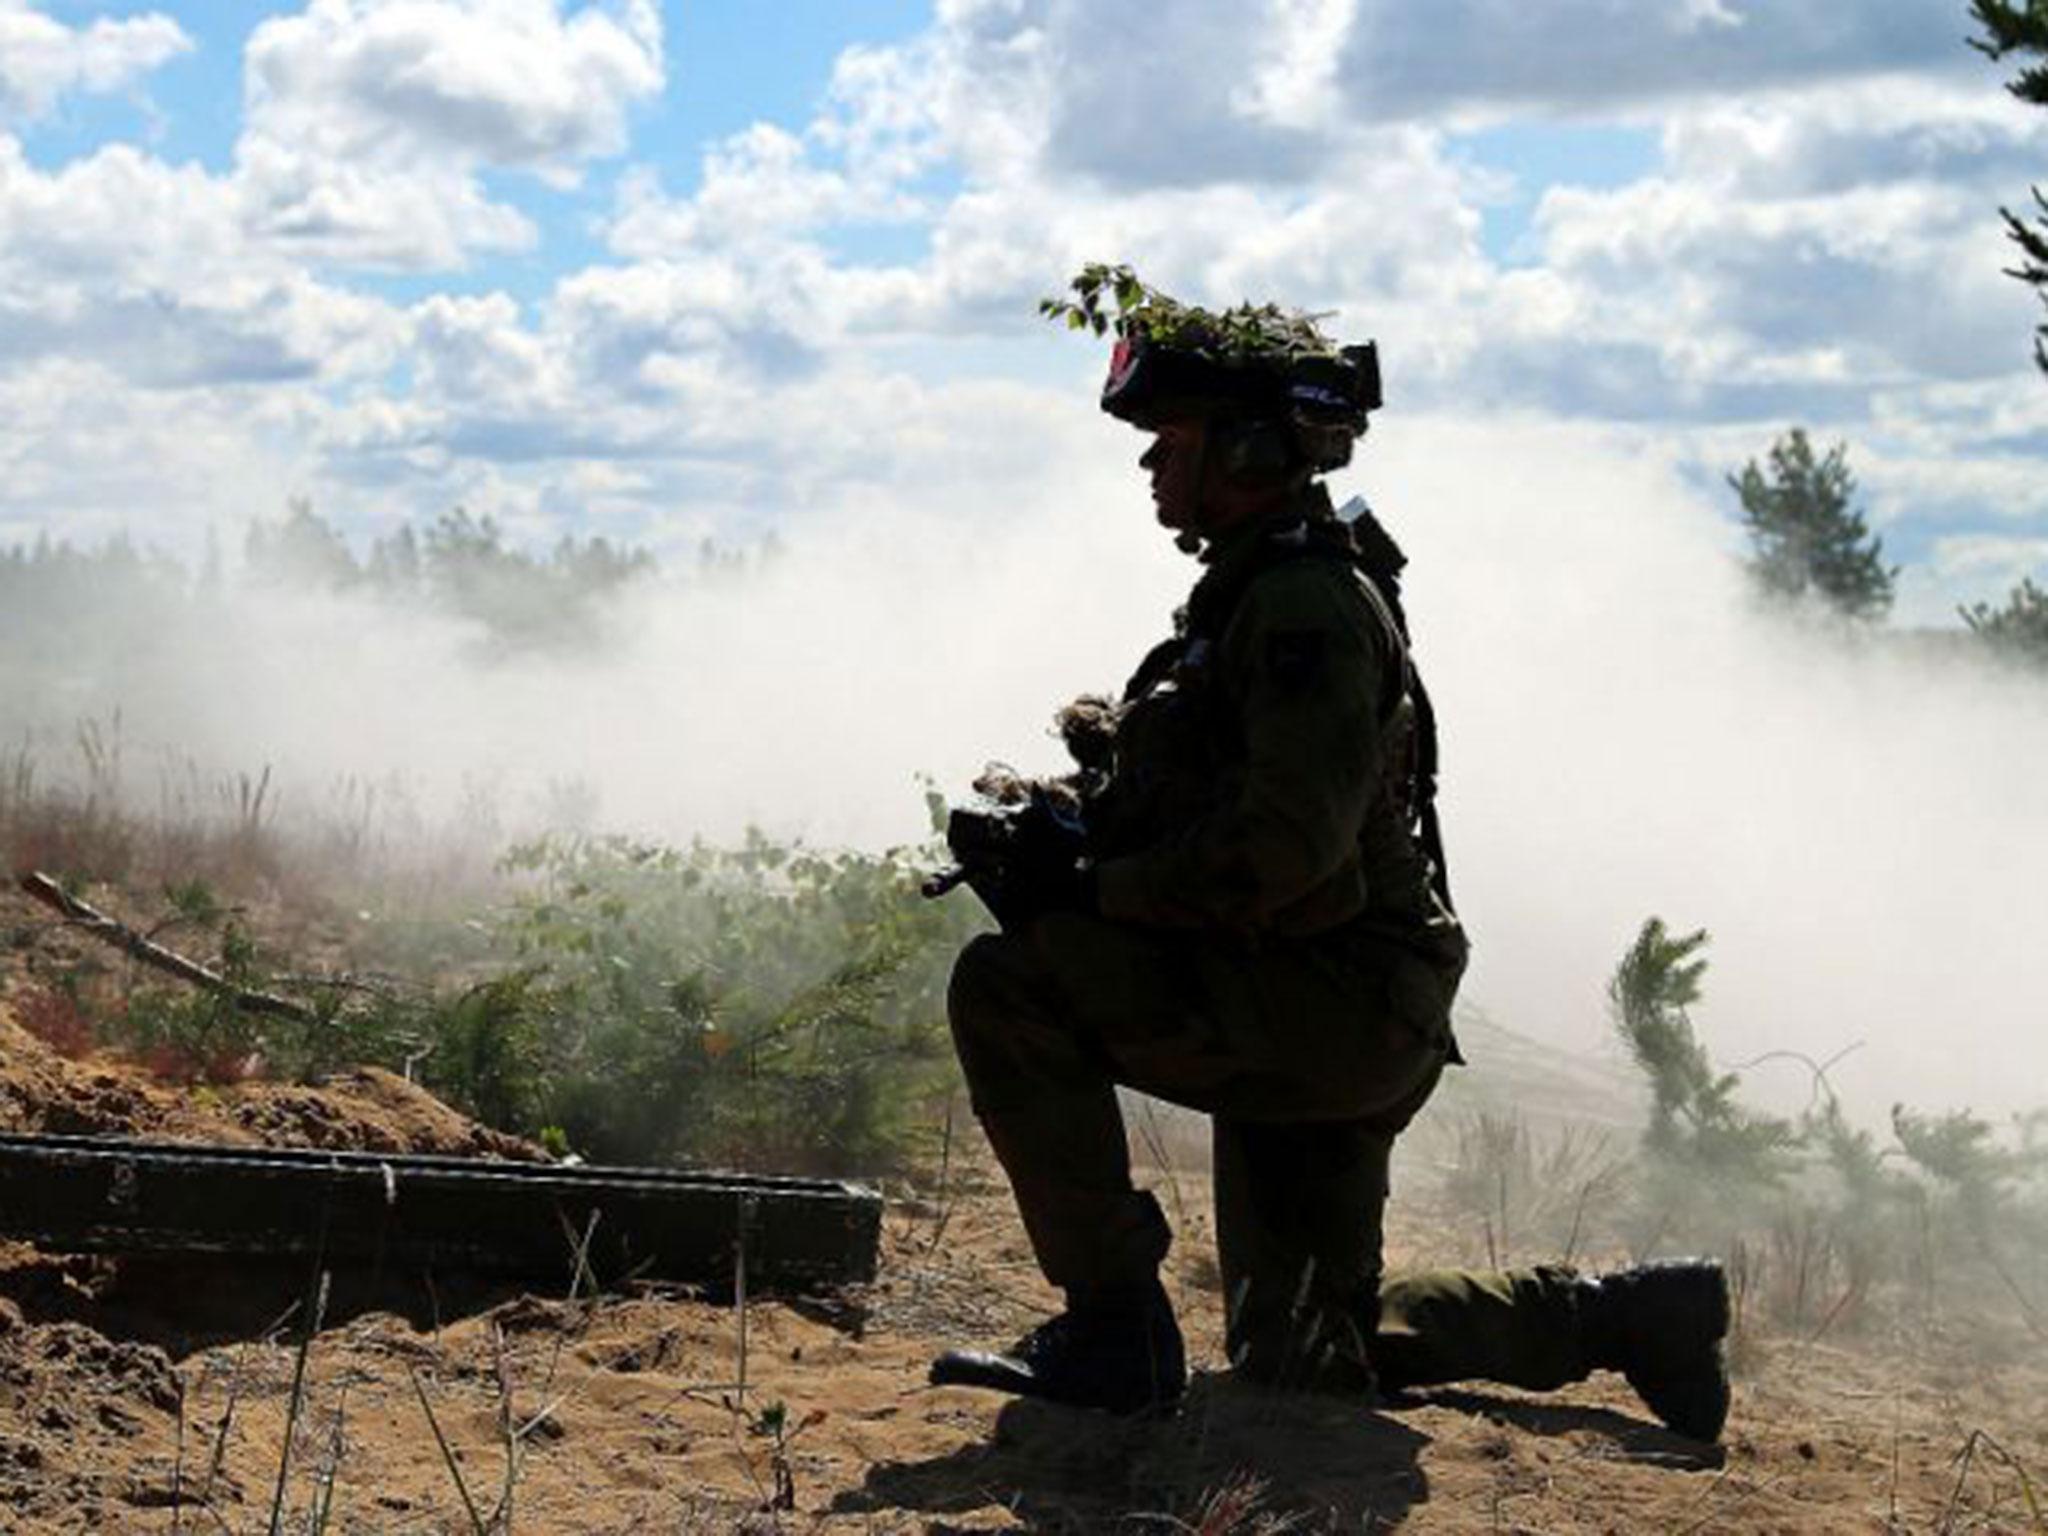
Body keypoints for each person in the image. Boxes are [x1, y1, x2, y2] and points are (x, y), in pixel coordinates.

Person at [927, 303, 1731, 1443]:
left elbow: (1284, 860)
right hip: (1332, 997)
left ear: (1249, 452)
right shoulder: (1264, 593)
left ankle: (1113, 1330)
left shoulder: (1298, 604)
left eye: (1177, 437)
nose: (1153, 462)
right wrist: (1074, 834)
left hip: (1328, 1001)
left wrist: (1089, 891)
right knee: (1300, 1353)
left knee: (1005, 986)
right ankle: (1619, 1317)